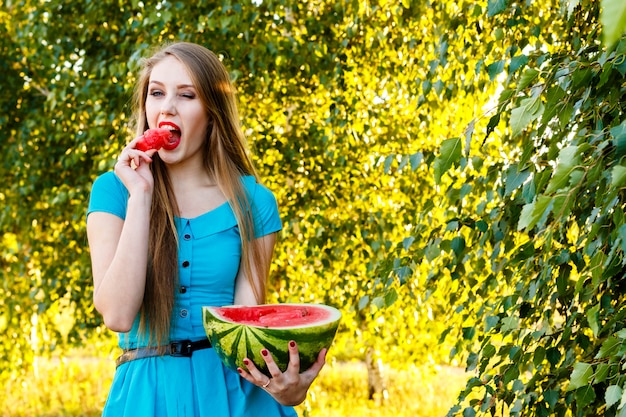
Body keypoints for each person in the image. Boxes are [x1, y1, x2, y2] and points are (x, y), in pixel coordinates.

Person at [86, 41, 326, 416]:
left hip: (235, 398)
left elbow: (247, 323)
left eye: (186, 95)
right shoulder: (114, 191)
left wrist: (286, 390)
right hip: (147, 398)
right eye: (157, 93)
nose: (167, 107)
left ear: (211, 113)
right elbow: (117, 314)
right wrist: (141, 196)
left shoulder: (255, 203)